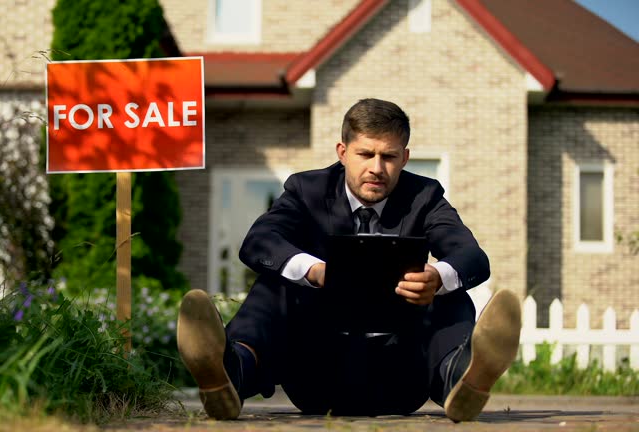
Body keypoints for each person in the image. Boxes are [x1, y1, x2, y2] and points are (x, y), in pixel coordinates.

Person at [177, 98, 521, 421]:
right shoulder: (306, 190)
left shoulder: (425, 196)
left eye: (389, 156)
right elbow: (259, 242)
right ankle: (230, 375)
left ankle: (461, 379)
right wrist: (312, 270)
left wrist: (437, 276)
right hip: (317, 373)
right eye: (365, 154)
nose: (377, 168)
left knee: (449, 290)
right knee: (277, 283)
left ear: (405, 157)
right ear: (343, 153)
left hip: (400, 377)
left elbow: (472, 257)